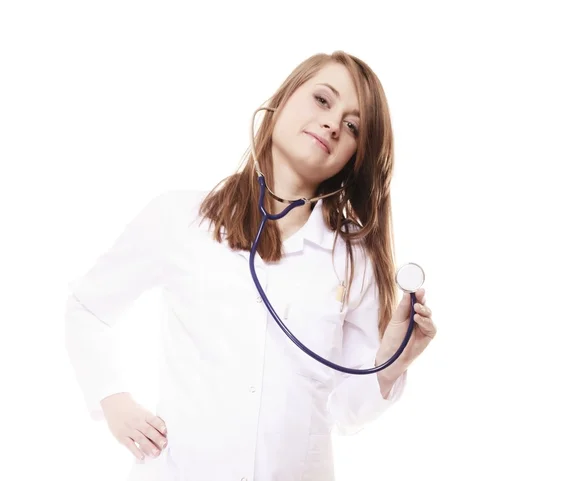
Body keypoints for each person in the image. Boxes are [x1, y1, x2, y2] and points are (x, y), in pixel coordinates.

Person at [64, 50, 437, 481]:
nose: (334, 123)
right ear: (281, 100)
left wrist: (392, 360)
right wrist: (113, 400)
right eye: (322, 100)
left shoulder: (353, 260)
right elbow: (87, 310)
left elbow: (347, 412)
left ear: (354, 158)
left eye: (353, 126)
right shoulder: (181, 218)